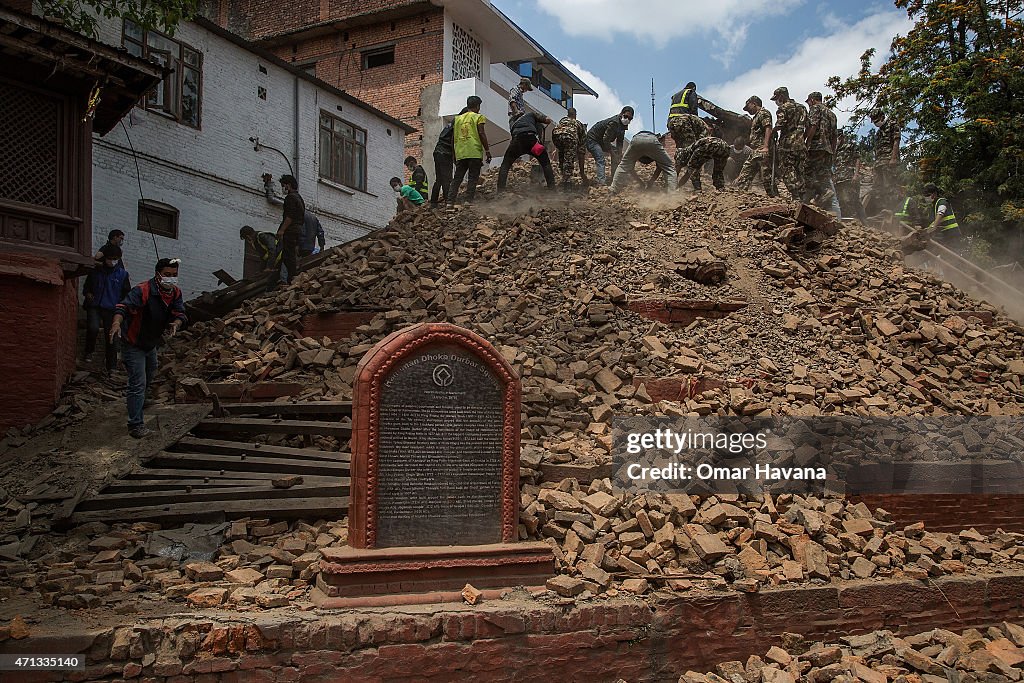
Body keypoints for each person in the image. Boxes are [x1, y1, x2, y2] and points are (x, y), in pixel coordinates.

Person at [110, 257, 186, 438]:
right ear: (158, 275)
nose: (171, 279)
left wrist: (175, 323)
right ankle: (135, 425)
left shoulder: (175, 293)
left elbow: (180, 313)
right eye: (167, 275)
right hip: (133, 343)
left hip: (151, 343)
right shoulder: (142, 290)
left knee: (151, 370)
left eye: (174, 275)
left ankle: (139, 401)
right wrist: (116, 324)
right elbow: (122, 308)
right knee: (138, 381)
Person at [83, 245, 131, 374]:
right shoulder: (96, 271)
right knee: (92, 327)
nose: (112, 261)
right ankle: (89, 351)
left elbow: (126, 294)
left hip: (112, 308)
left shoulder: (122, 275)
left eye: (115, 259)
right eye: (110, 258)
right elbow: (87, 287)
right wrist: (88, 294)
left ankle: (112, 366)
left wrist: (121, 308)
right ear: (105, 258)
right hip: (95, 305)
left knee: (111, 337)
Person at [497, 112, 556, 192]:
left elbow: (513, 135)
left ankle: (500, 190)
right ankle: (552, 188)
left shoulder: (513, 122)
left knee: (505, 165)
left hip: (516, 142)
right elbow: (548, 120)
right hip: (532, 141)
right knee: (545, 163)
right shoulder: (531, 114)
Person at [449, 96, 492, 205]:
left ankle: (450, 202)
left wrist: (454, 154)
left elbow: (453, 138)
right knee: (473, 177)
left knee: (457, 178)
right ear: (477, 106)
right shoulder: (478, 117)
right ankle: (468, 201)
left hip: (461, 153)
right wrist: (487, 150)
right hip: (474, 152)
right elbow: (482, 133)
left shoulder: (457, 119)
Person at [771, 86, 808, 201]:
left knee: (787, 169)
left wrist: (772, 132)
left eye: (776, 98)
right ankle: (802, 196)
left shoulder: (783, 108)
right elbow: (809, 125)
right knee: (799, 170)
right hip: (801, 143)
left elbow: (780, 124)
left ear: (781, 96)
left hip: (788, 144)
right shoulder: (802, 108)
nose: (776, 102)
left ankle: (796, 196)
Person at [735, 96, 777, 197]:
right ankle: (739, 196)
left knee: (766, 176)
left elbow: (768, 128)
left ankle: (775, 198)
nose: (748, 110)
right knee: (746, 172)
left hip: (762, 150)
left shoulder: (763, 113)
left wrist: (766, 146)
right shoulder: (756, 117)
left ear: (754, 103)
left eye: (748, 107)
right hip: (755, 151)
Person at [609, 131, 675, 194]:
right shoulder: (656, 151)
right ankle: (673, 194)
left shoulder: (635, 154)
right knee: (669, 166)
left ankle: (613, 190)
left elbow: (628, 168)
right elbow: (660, 167)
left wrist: (644, 182)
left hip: (636, 140)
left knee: (623, 166)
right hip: (651, 140)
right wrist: (646, 182)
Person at [804, 92, 838, 208]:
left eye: (808, 101)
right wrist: (832, 152)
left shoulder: (815, 108)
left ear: (812, 100)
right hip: (827, 150)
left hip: (815, 147)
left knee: (804, 173)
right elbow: (834, 136)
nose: (808, 104)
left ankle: (822, 191)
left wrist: (807, 142)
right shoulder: (832, 114)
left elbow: (813, 126)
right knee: (823, 177)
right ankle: (822, 198)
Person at [585, 106, 633, 185]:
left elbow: (620, 141)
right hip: (592, 140)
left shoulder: (623, 126)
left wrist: (619, 154)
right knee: (600, 158)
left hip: (601, 141)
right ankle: (601, 182)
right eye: (626, 116)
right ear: (621, 114)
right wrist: (612, 153)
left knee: (616, 153)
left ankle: (614, 179)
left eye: (630, 118)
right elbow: (606, 140)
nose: (627, 119)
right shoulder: (614, 123)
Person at [870, 108, 903, 205]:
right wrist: (874, 164)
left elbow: (896, 141)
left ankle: (892, 211)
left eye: (876, 120)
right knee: (877, 189)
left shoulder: (892, 124)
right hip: (879, 163)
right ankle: (883, 210)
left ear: (882, 117)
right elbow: (877, 149)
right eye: (874, 122)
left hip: (889, 162)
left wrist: (893, 158)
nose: (876, 123)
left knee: (890, 187)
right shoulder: (878, 132)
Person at [430, 110, 462, 208]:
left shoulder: (451, 123)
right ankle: (448, 200)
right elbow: (453, 142)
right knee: (447, 178)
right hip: (445, 153)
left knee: (439, 178)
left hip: (437, 151)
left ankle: (434, 201)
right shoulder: (458, 123)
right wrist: (455, 158)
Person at [552, 107, 589, 191]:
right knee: (569, 159)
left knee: (562, 155)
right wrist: (582, 173)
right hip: (570, 137)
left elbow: (560, 132)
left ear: (568, 114)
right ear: (575, 115)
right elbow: (581, 151)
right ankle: (567, 183)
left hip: (555, 136)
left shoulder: (562, 121)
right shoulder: (579, 124)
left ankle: (563, 176)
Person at [276, 174, 303, 285]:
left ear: (289, 185)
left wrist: (282, 230)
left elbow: (289, 216)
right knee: (292, 254)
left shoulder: (291, 198)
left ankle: (292, 278)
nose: (283, 188)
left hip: (291, 230)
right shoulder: (299, 198)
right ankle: (293, 277)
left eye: (284, 185)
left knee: (288, 256)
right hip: (298, 230)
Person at [833, 131, 867, 222]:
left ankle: (862, 223)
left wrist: (855, 175)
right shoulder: (836, 150)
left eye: (837, 138)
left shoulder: (850, 146)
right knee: (842, 202)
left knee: (853, 201)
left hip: (849, 178)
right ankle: (848, 222)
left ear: (842, 137)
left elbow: (857, 159)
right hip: (838, 180)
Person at [923, 183, 962, 252]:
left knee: (951, 255)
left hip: (952, 234)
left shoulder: (942, 201)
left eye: (928, 195)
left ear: (934, 194)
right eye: (925, 196)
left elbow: (940, 213)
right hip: (945, 236)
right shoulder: (933, 206)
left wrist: (933, 227)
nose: (926, 197)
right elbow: (932, 223)